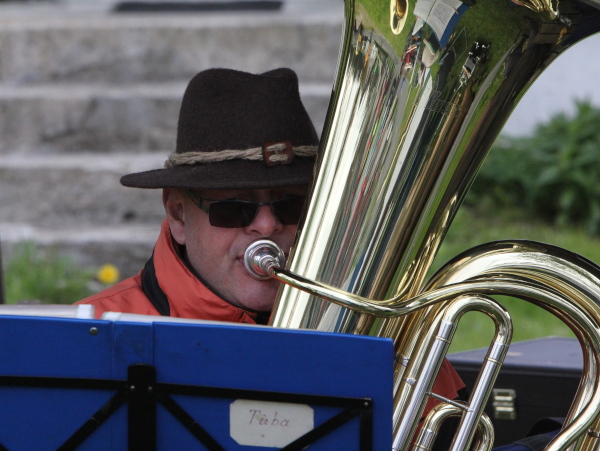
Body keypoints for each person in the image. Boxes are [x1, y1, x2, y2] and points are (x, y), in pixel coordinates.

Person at [76, 67, 465, 430]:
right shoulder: (91, 334)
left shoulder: (380, 328)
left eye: (291, 205)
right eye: (235, 208)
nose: (266, 226)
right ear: (178, 215)